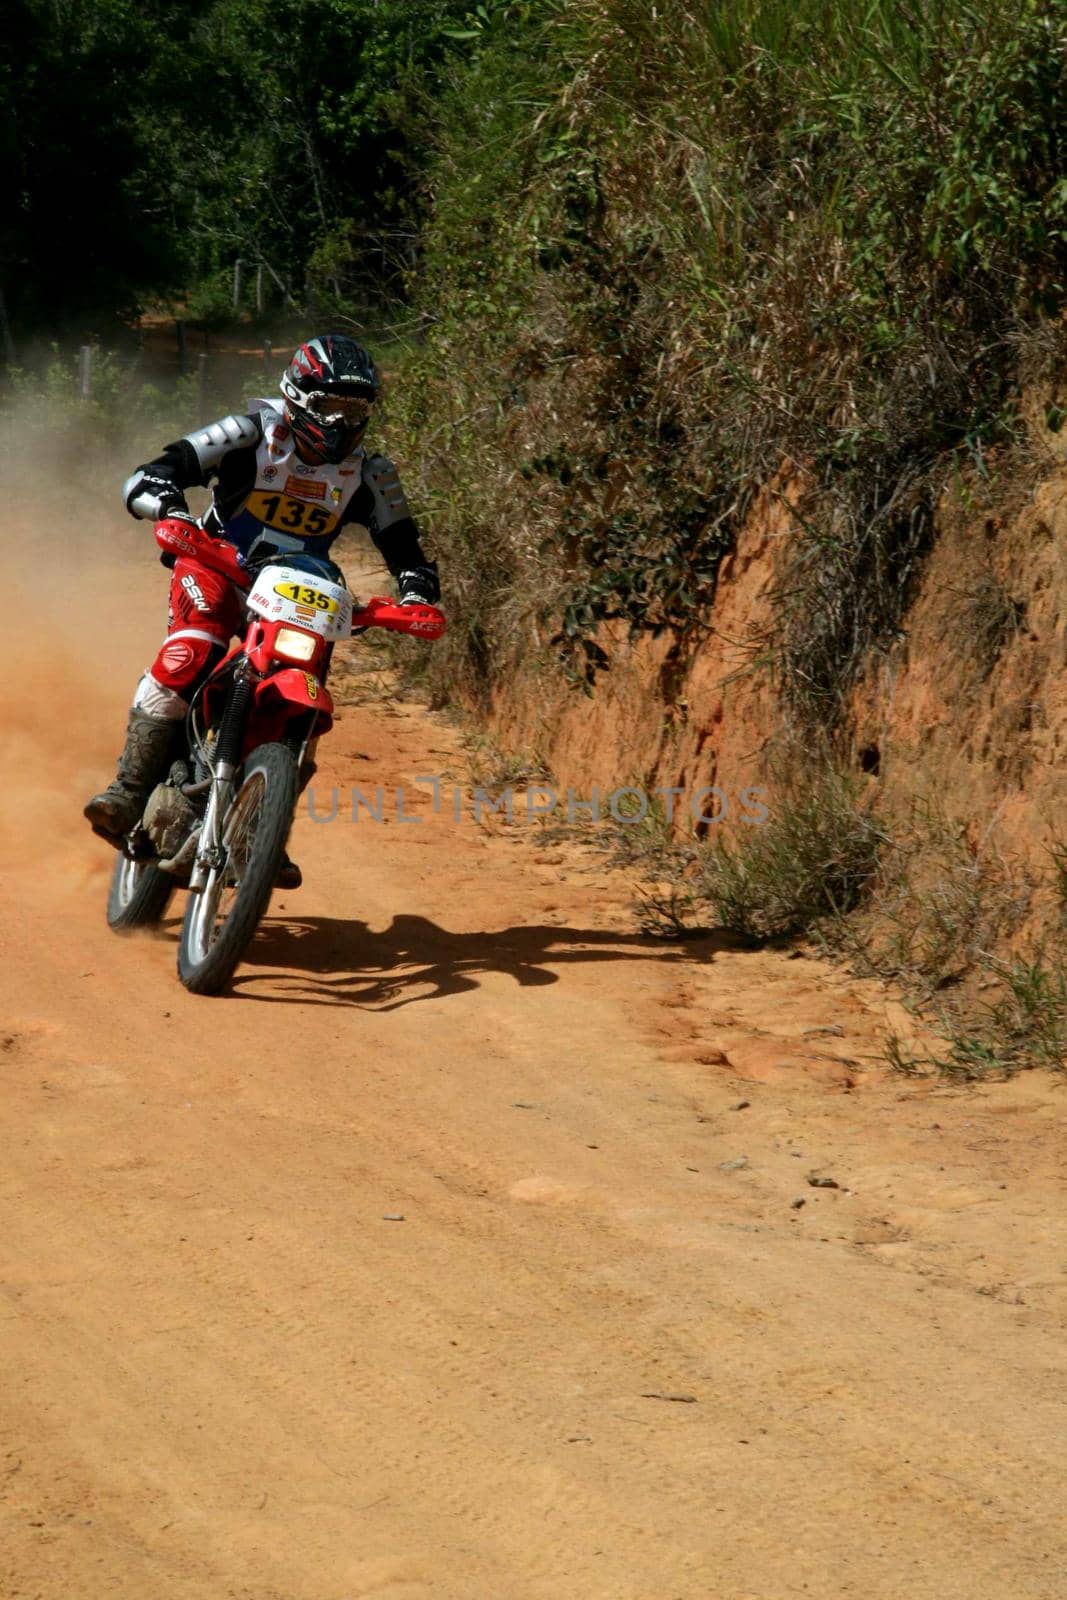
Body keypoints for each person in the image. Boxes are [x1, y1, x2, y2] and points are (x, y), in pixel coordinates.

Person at [84, 333, 440, 886]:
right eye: (331, 406)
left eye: (357, 409)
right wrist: (171, 506)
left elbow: (407, 551)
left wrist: (416, 595)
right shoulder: (249, 433)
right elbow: (153, 473)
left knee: (308, 702)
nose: (343, 422)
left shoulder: (372, 474)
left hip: (301, 591)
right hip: (217, 566)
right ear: (297, 396)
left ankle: (263, 827)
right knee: (191, 651)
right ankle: (128, 791)